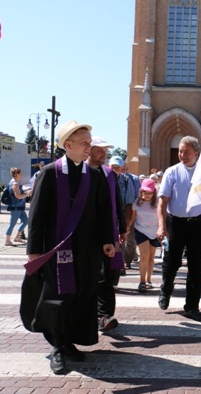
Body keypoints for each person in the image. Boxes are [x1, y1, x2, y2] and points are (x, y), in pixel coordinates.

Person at [20, 120, 115, 375]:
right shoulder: (50, 173)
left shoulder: (94, 175)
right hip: (57, 249)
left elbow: (105, 211)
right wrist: (34, 251)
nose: (89, 147)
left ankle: (70, 340)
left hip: (87, 250)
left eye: (90, 143)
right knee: (58, 297)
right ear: (68, 145)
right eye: (84, 143)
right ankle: (58, 347)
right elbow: (37, 214)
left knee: (83, 295)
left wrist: (108, 240)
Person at [156, 136, 201, 322]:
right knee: (171, 262)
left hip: (198, 224)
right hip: (174, 223)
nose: (182, 155)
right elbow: (163, 202)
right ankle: (166, 288)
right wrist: (161, 226)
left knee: (196, 265)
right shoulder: (172, 172)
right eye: (180, 151)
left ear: (196, 153)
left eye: (186, 151)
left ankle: (192, 306)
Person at [87, 137, 127, 333]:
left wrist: (122, 228)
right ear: (88, 151)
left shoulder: (109, 174)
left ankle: (104, 315)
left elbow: (117, 201)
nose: (103, 154)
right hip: (87, 234)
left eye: (105, 151)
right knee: (92, 275)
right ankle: (94, 314)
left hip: (109, 231)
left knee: (108, 274)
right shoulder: (82, 173)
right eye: (98, 151)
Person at [131, 178, 160, 292]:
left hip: (154, 231)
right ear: (141, 191)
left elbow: (162, 216)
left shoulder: (158, 202)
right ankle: (142, 281)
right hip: (141, 230)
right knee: (144, 255)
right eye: (145, 192)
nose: (147, 195)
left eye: (150, 192)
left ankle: (148, 279)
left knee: (151, 256)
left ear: (154, 192)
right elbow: (133, 218)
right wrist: (127, 227)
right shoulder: (137, 203)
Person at [109, 156, 136, 274]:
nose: (115, 169)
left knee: (120, 242)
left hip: (119, 217)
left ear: (122, 168)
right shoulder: (103, 177)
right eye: (113, 167)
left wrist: (127, 223)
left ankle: (119, 266)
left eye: (117, 167)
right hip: (106, 217)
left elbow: (129, 203)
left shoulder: (125, 180)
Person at [5, 167, 31, 246]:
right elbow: (18, 196)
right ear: (16, 174)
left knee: (26, 221)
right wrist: (28, 193)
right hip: (15, 207)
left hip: (19, 206)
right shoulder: (15, 184)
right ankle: (7, 240)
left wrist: (26, 192)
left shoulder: (14, 182)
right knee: (12, 223)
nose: (21, 175)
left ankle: (17, 237)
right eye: (20, 173)